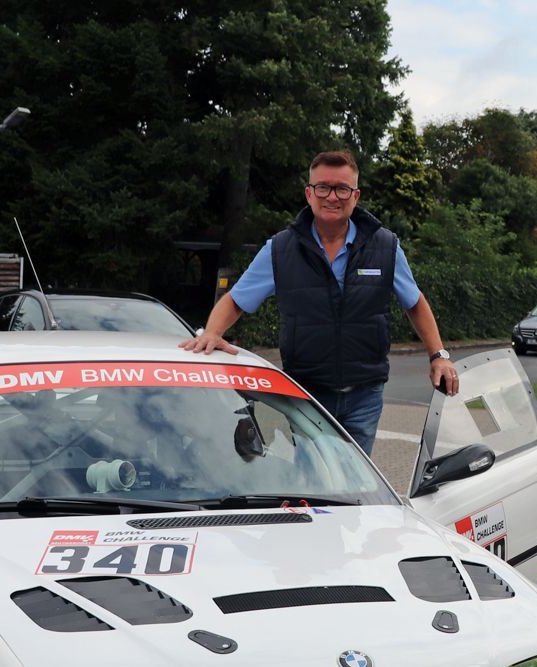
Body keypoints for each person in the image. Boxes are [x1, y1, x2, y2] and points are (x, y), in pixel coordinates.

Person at [180, 149, 457, 455]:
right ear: (309, 194)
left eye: (342, 189)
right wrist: (211, 333)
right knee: (315, 482)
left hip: (365, 396)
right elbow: (235, 300)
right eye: (323, 187)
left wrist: (438, 356)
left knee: (356, 485)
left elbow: (415, 303)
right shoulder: (280, 250)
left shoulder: (385, 246)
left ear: (356, 196)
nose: (332, 197)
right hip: (307, 395)